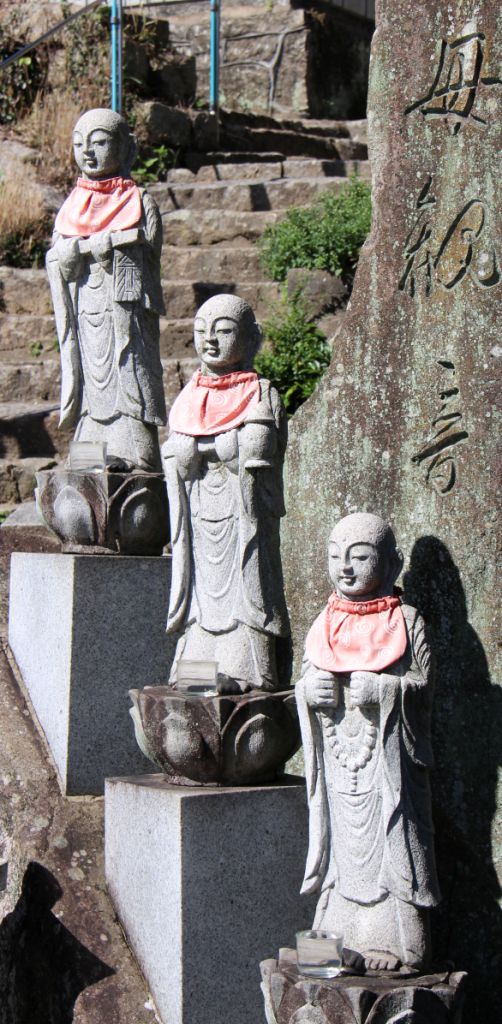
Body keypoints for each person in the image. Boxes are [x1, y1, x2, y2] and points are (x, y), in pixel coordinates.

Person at [296, 512, 441, 970]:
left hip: (388, 767)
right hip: (341, 766)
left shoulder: (408, 620)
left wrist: (384, 690)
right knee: (344, 850)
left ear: (390, 564)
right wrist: (309, 694)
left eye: (360, 557)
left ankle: (397, 940)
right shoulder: (325, 622)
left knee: (391, 839)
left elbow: (425, 688)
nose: (346, 568)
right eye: (336, 557)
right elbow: (306, 676)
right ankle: (340, 931)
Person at [162, 294, 291, 693]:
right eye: (202, 332)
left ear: (251, 339)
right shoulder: (189, 395)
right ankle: (195, 663)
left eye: (223, 331)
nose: (210, 341)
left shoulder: (261, 393)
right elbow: (175, 454)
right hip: (198, 517)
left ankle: (247, 669)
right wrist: (185, 454)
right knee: (201, 595)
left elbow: (257, 449)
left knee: (245, 585)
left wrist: (207, 448)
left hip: (242, 517)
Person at [45, 108, 166, 471]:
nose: (88, 152)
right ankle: (90, 444)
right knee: (92, 380)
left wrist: (114, 250)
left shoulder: (141, 202)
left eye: (99, 142)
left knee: (128, 371)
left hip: (125, 316)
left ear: (126, 149)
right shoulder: (71, 207)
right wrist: (68, 253)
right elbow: (57, 261)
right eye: (79, 144)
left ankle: (136, 449)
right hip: (85, 314)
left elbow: (149, 259)